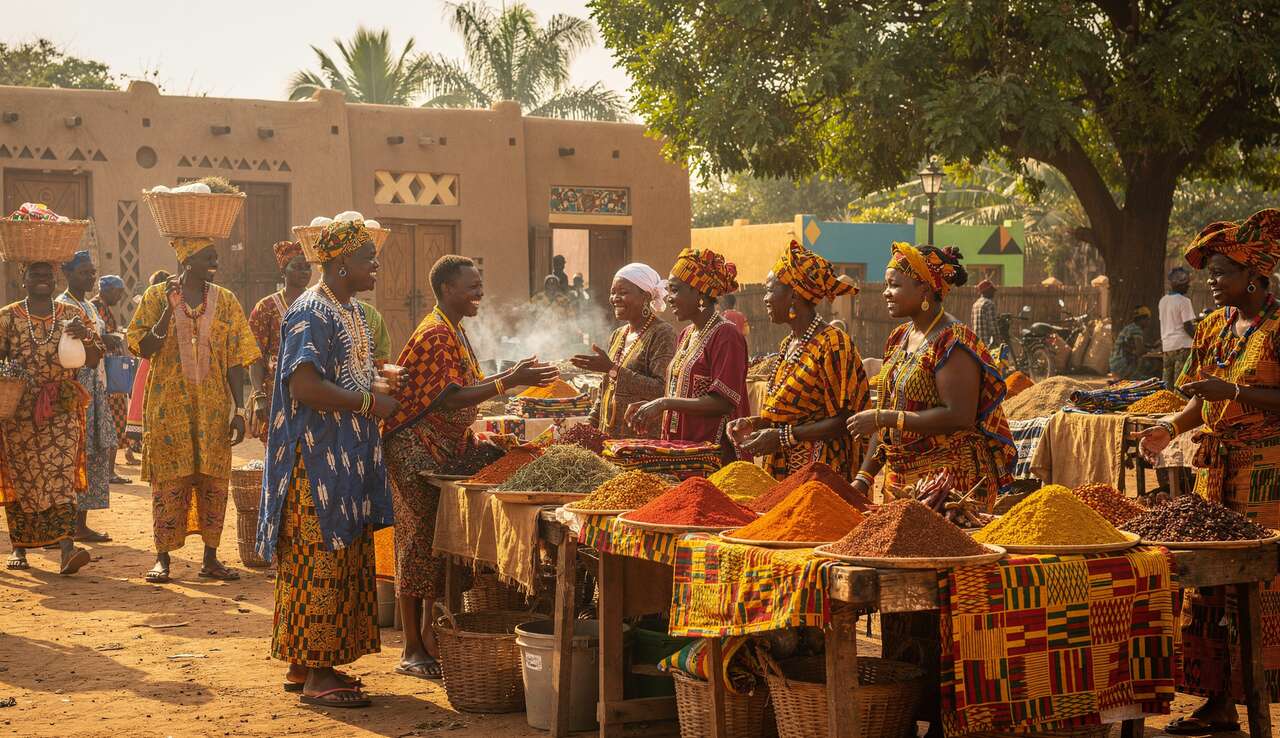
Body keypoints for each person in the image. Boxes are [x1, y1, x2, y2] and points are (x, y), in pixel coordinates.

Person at [1134, 209, 1280, 733]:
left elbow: (1241, 395)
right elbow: (1199, 394)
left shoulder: (1278, 328)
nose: (1212, 283)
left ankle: (1259, 703)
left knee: (1261, 591)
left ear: (1256, 277)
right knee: (1209, 589)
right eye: (1209, 274)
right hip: (1215, 473)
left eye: (1222, 273)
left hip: (1269, 475)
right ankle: (1217, 705)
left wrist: (1235, 393)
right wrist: (1168, 429)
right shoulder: (1215, 327)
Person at [382, 254, 557, 679]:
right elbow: (449, 397)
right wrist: (509, 380)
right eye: (471, 286)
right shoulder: (436, 333)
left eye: (480, 284)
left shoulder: (453, 330)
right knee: (419, 541)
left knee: (444, 542)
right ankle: (411, 648)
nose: (479, 292)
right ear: (447, 290)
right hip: (415, 449)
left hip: (445, 447)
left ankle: (431, 635)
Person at [257, 220, 398, 708]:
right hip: (316, 463)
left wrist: (375, 383)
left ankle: (307, 664)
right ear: (340, 265)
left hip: (345, 459)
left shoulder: (353, 310)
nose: (375, 265)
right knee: (319, 562)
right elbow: (304, 386)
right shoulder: (310, 311)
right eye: (367, 258)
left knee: (338, 560)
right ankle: (319, 676)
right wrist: (366, 403)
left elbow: (345, 373)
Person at [127, 238, 260, 584]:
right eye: (207, 256)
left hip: (213, 408)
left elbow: (234, 359)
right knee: (168, 481)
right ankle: (162, 558)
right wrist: (167, 312)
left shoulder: (226, 300)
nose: (215, 260)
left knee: (213, 482)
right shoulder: (157, 296)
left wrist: (239, 408)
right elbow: (143, 347)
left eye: (215, 255)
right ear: (187, 259)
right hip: (167, 407)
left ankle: (211, 558)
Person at [847, 242, 1014, 508]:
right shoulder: (899, 337)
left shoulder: (953, 341)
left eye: (894, 285)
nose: (886, 293)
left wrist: (883, 417)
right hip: (900, 482)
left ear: (924, 288)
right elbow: (886, 413)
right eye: (886, 285)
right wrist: (864, 479)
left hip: (950, 482)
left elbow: (958, 415)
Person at [728, 241, 869, 479]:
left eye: (770, 290)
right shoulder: (788, 344)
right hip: (783, 467)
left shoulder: (833, 344)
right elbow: (788, 414)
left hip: (821, 471)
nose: (765, 298)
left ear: (794, 294)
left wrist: (784, 437)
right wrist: (756, 423)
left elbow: (846, 418)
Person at [0, 261, 100, 574]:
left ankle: (67, 549)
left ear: (55, 279)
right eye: (36, 275)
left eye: (48, 275)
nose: (43, 280)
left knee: (61, 472)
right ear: (23, 279)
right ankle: (20, 547)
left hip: (61, 406)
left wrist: (84, 336)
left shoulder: (72, 315)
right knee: (25, 476)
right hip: (20, 410)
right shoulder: (7, 317)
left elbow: (94, 359)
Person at [628, 247, 749, 462]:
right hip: (682, 451)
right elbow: (685, 392)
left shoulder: (726, 335)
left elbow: (723, 402)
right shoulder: (686, 334)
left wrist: (665, 403)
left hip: (712, 455)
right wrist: (652, 404)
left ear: (700, 293)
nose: (669, 298)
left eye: (675, 290)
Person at [571, 263, 677, 437]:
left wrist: (613, 370)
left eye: (623, 292)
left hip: (640, 443)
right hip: (608, 440)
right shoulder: (617, 335)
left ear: (645, 296)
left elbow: (662, 389)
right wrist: (588, 426)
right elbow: (605, 389)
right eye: (613, 292)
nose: (615, 298)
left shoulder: (662, 333)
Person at [57, 251, 117, 542]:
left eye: (92, 272)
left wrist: (104, 341)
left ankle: (81, 523)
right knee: (71, 452)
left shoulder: (90, 307)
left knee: (92, 451)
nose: (90, 277)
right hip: (73, 384)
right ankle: (65, 525)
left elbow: (94, 341)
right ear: (67, 274)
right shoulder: (61, 306)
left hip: (95, 383)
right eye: (84, 272)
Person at [249, 240, 313, 441]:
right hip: (274, 391)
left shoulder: (316, 304)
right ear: (283, 271)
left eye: (307, 267)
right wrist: (259, 395)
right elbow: (255, 356)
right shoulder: (266, 307)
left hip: (312, 390)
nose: (304, 272)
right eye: (297, 267)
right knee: (277, 449)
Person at [123, 270, 171, 465]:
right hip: (154, 358)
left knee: (142, 398)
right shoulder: (160, 302)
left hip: (148, 359)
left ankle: (138, 448)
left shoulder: (153, 301)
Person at [92, 274, 132, 484]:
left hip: (110, 372)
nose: (120, 296)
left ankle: (109, 470)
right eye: (118, 291)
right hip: (105, 373)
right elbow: (99, 337)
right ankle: (108, 472)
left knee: (115, 419)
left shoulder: (103, 308)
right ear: (107, 290)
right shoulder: (96, 308)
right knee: (112, 419)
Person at [1159, 267, 1197, 389]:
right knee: (1181, 383)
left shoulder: (1163, 301)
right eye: (1186, 284)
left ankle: (1167, 406)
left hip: (1167, 347)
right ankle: (1181, 406)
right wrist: (1199, 340)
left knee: (1167, 384)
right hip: (1183, 346)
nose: (1188, 286)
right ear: (1179, 285)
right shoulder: (1184, 301)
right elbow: (1188, 327)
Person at [1109, 306, 1152, 379]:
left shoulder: (1130, 327)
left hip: (1114, 363)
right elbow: (1140, 351)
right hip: (1122, 365)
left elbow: (1132, 346)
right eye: (1148, 319)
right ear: (1142, 319)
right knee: (1149, 379)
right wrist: (1152, 351)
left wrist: (1151, 346)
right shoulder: (1136, 330)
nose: (1148, 322)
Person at [970, 278, 998, 346]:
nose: (994, 292)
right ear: (986, 291)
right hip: (987, 343)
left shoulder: (976, 304)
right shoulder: (989, 304)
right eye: (992, 290)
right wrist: (997, 339)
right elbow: (993, 325)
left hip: (976, 343)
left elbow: (972, 323)